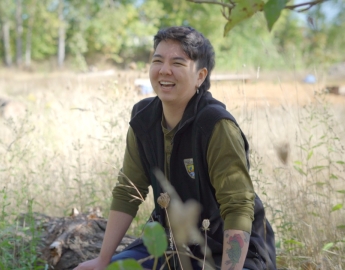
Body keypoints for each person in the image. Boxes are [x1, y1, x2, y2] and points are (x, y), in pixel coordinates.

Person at [74, 26, 275, 270]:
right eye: (157, 60)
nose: (164, 70)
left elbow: (238, 206)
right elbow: (129, 190)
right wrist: (102, 260)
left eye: (178, 63)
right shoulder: (143, 119)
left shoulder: (216, 125)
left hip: (230, 252)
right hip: (169, 244)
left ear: (200, 76)